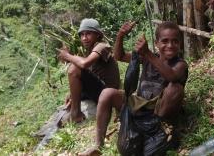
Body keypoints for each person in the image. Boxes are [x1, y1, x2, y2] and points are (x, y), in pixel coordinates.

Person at [80, 21, 188, 156]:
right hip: (138, 104)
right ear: (157, 43)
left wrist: (147, 53)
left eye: (175, 41)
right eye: (165, 41)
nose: (170, 45)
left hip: (158, 112)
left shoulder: (180, 64)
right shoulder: (148, 58)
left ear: (180, 44)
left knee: (175, 88)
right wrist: (120, 35)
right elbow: (119, 56)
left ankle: (157, 130)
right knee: (107, 93)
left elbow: (171, 76)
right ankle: (98, 144)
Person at [57, 18, 120, 124]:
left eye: (88, 34)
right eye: (82, 35)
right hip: (100, 90)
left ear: (98, 35)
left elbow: (84, 64)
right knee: (72, 94)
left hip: (108, 93)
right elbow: (88, 75)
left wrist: (68, 56)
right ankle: (74, 108)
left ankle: (76, 114)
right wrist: (73, 95)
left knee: (74, 68)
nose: (84, 38)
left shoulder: (102, 46)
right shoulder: (90, 50)